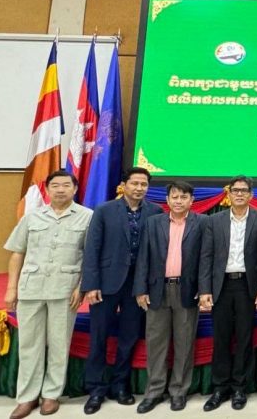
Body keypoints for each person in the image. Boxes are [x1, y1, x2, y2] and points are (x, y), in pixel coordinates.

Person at [4, 170, 92, 419]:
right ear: (47, 189)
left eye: (66, 185)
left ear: (75, 189)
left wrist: (81, 286)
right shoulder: (32, 216)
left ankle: (51, 394)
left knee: (59, 343)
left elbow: (90, 257)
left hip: (65, 290)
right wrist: (11, 288)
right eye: (55, 185)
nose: (61, 189)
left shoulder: (88, 217)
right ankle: (27, 397)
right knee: (29, 344)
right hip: (31, 288)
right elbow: (17, 253)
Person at [81, 167, 164, 415]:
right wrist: (91, 284)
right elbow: (92, 249)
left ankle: (120, 385)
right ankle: (96, 389)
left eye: (143, 184)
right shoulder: (104, 210)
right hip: (106, 284)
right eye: (134, 183)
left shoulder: (155, 212)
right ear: (124, 185)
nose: (139, 188)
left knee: (128, 338)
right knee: (99, 337)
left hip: (136, 286)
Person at [132, 181, 207, 413]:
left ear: (191, 201)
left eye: (184, 197)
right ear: (167, 200)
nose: (178, 201)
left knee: (184, 343)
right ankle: (154, 392)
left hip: (187, 291)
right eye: (174, 197)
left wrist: (204, 289)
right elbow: (143, 257)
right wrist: (140, 289)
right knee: (156, 343)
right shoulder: (153, 223)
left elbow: (206, 259)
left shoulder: (202, 223)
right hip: (157, 291)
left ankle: (178, 391)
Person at [199, 176, 257, 412]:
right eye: (235, 190)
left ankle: (240, 387)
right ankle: (220, 388)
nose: (239, 194)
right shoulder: (214, 220)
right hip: (221, 286)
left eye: (244, 190)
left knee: (244, 338)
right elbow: (206, 257)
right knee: (221, 338)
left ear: (251, 194)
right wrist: (205, 289)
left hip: (247, 287)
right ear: (228, 194)